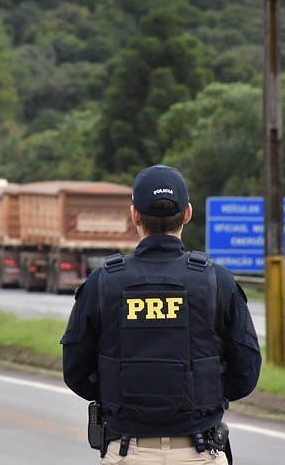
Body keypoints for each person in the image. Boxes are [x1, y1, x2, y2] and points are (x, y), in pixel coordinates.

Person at [61, 165, 262, 464]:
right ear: (188, 213)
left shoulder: (103, 281)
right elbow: (245, 374)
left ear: (134, 216)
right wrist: (199, 400)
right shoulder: (217, 280)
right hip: (200, 453)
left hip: (128, 453)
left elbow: (76, 371)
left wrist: (122, 399)